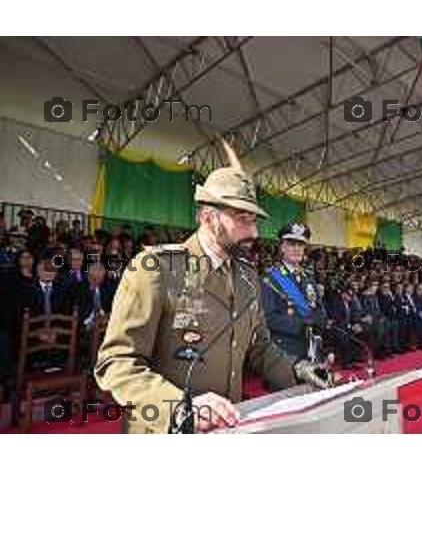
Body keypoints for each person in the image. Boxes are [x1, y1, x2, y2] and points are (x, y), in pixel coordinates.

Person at [95, 141, 329, 434]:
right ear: (208, 217)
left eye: (254, 220)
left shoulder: (247, 277)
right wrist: (180, 406)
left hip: (227, 427)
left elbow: (260, 348)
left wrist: (298, 369)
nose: (254, 232)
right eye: (243, 219)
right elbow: (116, 363)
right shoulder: (156, 269)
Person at [261, 222, 326, 360]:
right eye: (291, 244)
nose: (296, 249)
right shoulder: (270, 279)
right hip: (285, 352)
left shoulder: (308, 277)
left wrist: (319, 322)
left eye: (300, 245)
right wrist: (301, 326)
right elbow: (268, 317)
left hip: (311, 349)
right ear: (282, 247)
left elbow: (319, 308)